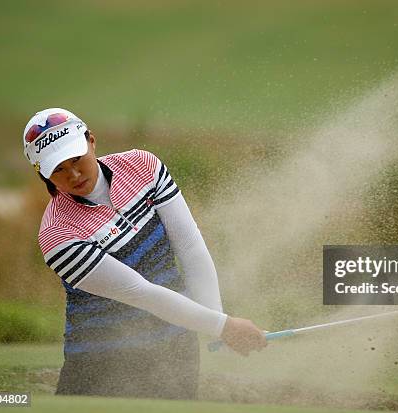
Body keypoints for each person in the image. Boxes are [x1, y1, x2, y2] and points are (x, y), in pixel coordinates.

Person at [22, 108, 267, 399]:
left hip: (175, 348)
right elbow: (139, 292)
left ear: (92, 141)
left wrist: (217, 320)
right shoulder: (57, 235)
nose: (73, 174)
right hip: (99, 364)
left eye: (77, 159)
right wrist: (222, 326)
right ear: (43, 175)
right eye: (58, 169)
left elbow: (189, 246)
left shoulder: (143, 166)